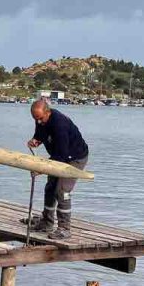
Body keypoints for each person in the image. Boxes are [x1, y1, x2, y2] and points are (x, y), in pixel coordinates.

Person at [27, 99, 89, 239]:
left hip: (74, 158)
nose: (39, 122)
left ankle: (64, 228)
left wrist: (41, 169)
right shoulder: (40, 119)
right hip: (59, 155)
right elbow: (41, 133)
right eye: (35, 119)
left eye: (41, 118)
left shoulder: (60, 124)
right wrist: (36, 140)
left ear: (48, 112)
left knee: (62, 190)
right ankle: (47, 223)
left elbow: (61, 156)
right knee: (50, 188)